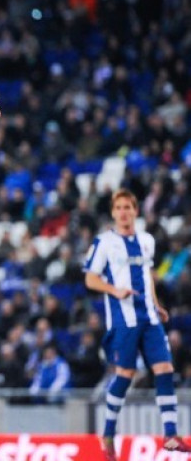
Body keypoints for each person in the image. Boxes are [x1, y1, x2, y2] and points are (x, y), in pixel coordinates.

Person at [84, 188, 190, 460]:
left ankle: (170, 434)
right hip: (124, 320)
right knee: (125, 374)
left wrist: (156, 304)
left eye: (127, 207)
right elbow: (90, 279)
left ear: (135, 211)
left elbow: (146, 276)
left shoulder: (146, 241)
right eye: (118, 207)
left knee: (165, 368)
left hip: (149, 317)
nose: (123, 212)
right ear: (113, 212)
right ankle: (108, 433)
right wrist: (114, 290)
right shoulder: (105, 242)